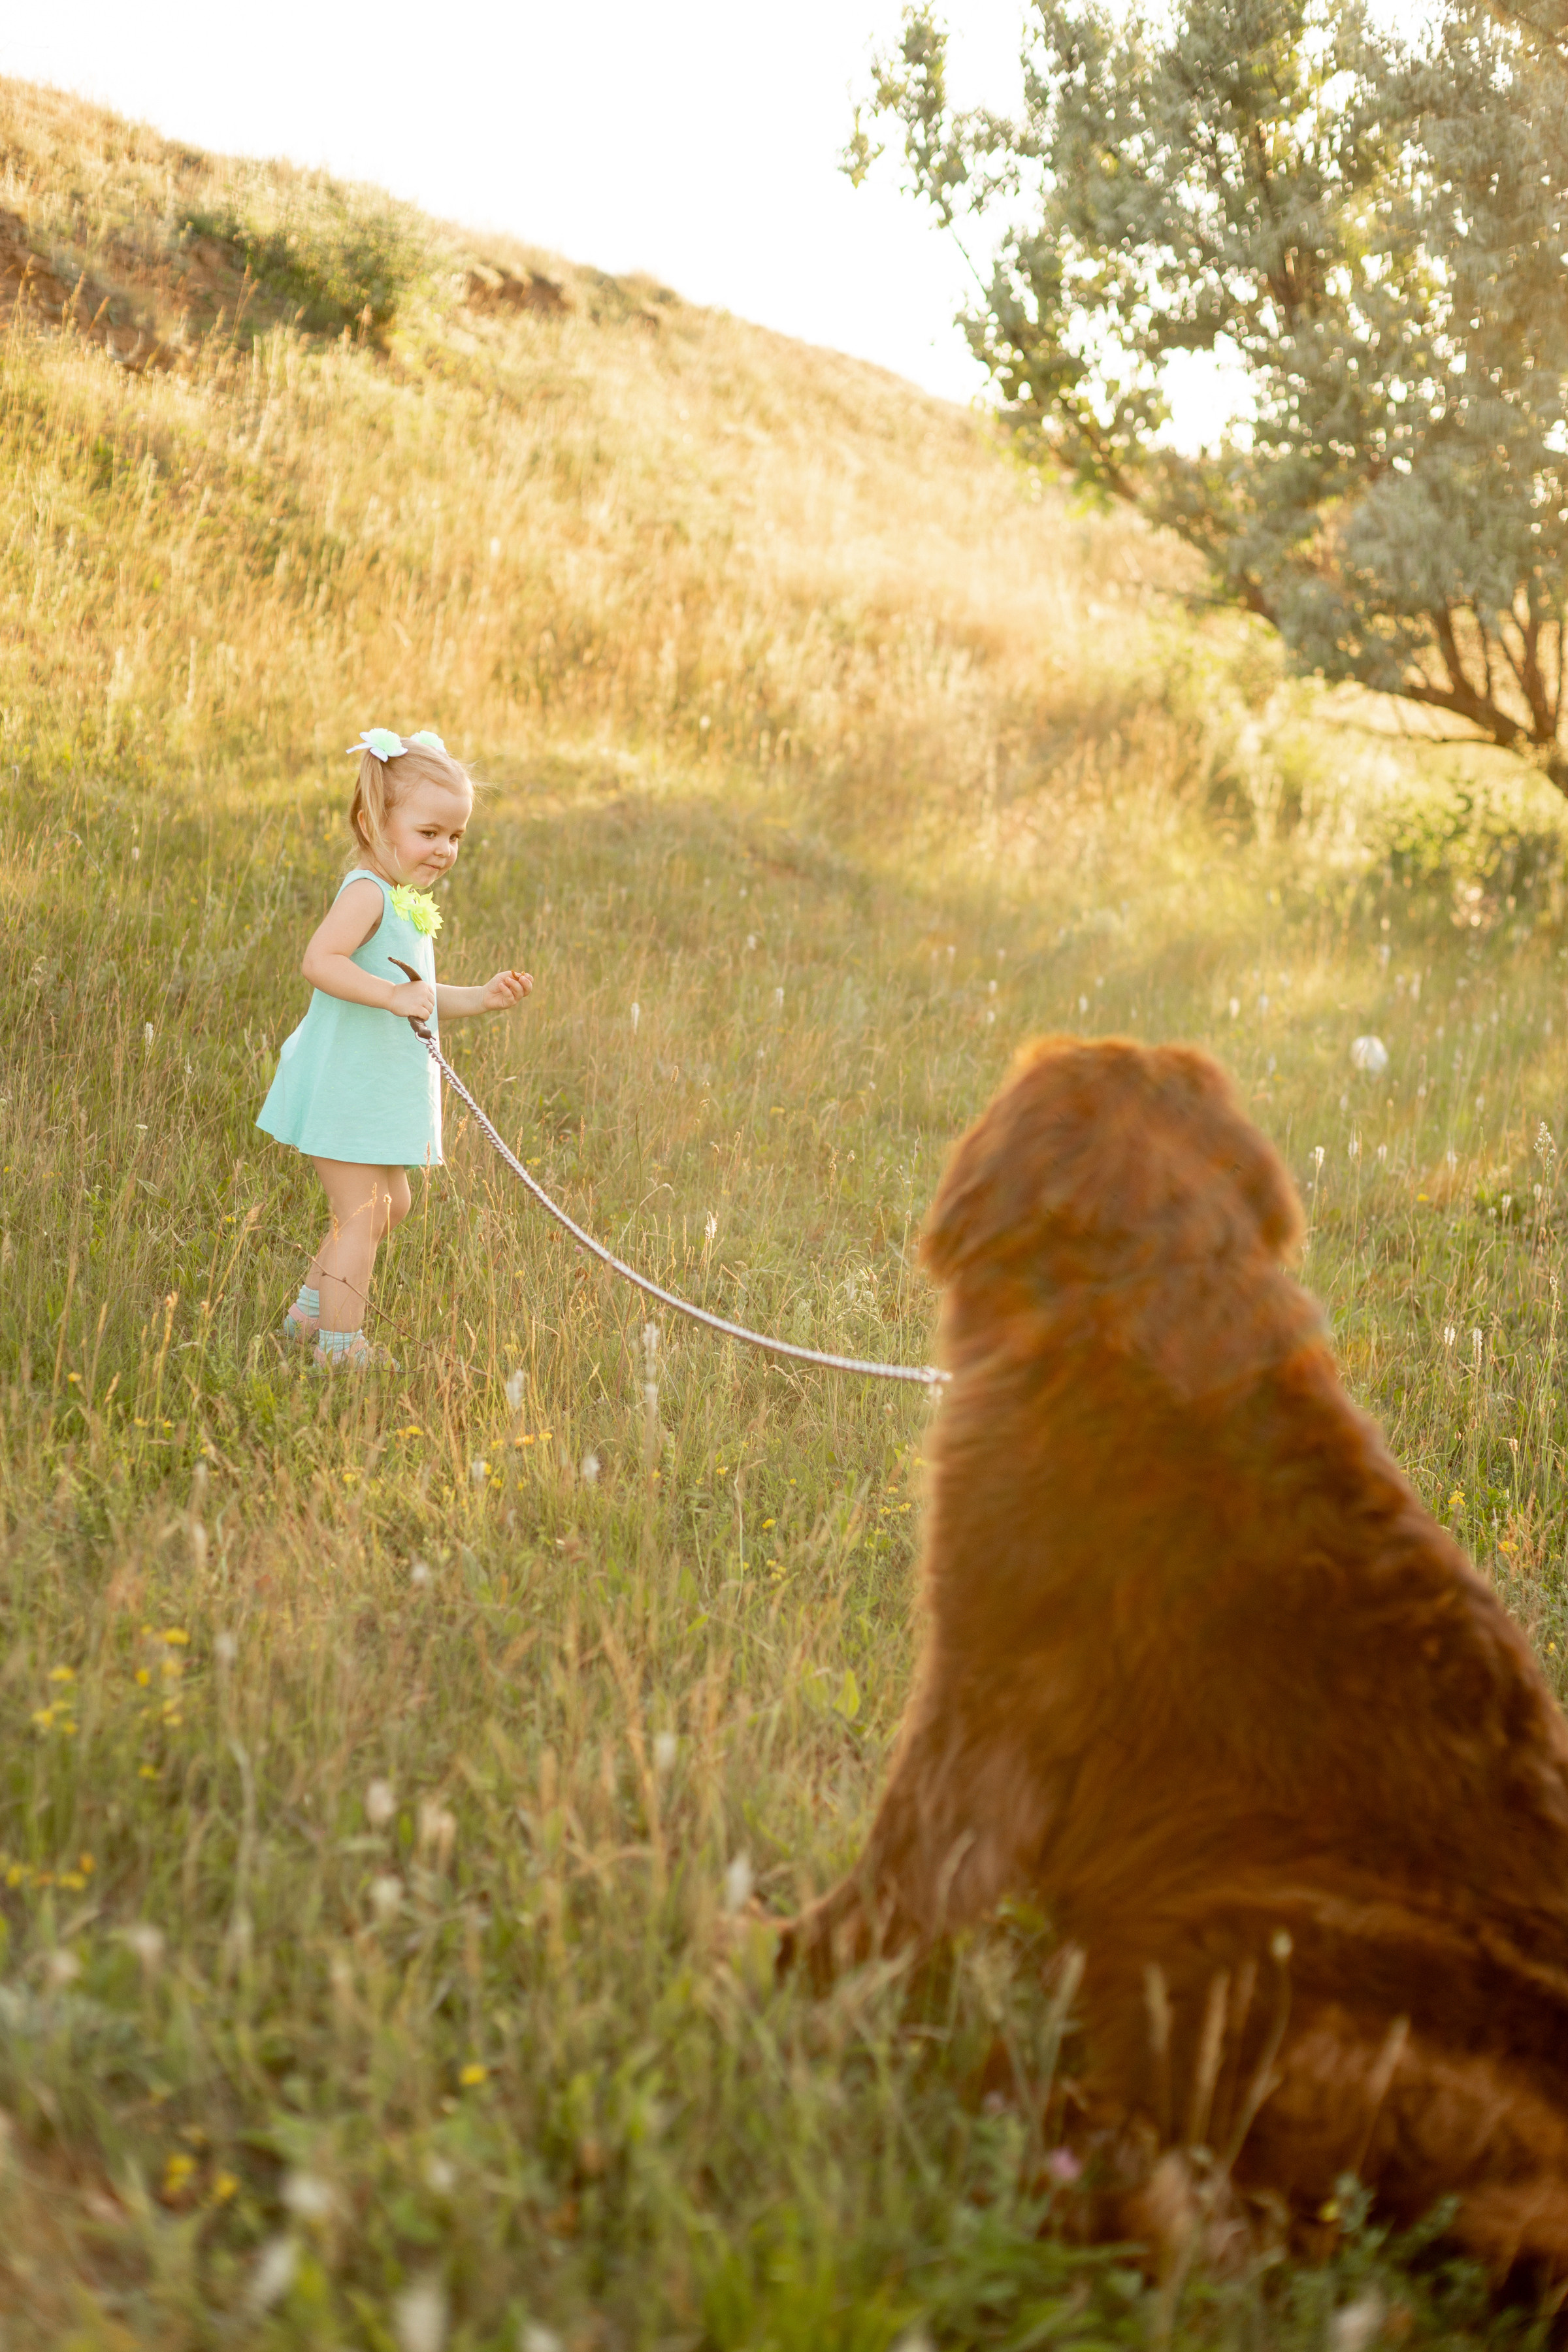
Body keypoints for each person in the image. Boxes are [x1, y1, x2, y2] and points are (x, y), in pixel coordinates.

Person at [257, 728, 532, 1370]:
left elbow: (420, 994)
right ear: (375, 821)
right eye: (429, 832)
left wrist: (481, 998)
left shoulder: (405, 901)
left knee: (391, 1205)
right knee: (363, 1213)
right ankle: (341, 1350)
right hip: (341, 1086)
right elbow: (319, 961)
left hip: (369, 1087)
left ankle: (308, 1316)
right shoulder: (366, 893)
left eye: (455, 837)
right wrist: (387, 996)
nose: (444, 850)